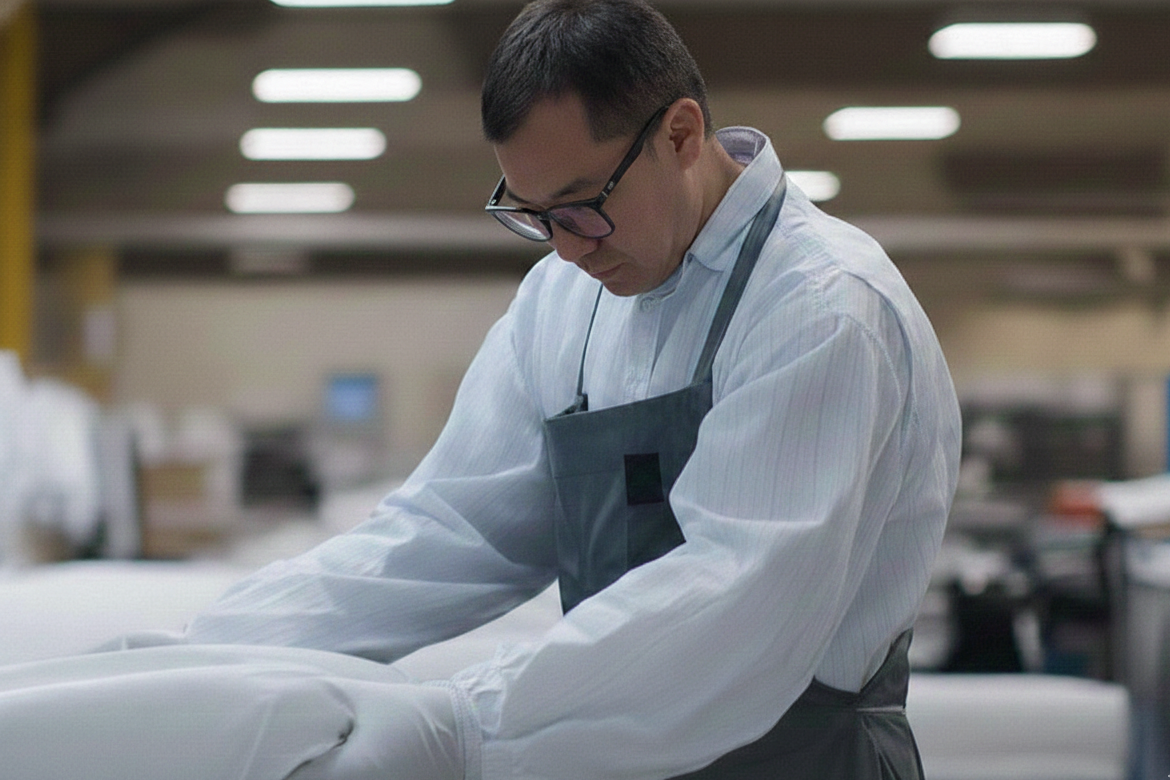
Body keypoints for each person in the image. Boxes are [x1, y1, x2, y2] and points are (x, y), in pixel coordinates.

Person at [141, 1, 963, 777]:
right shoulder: (563, 300)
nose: (567, 250)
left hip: (800, 761)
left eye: (581, 207)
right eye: (532, 214)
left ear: (680, 135)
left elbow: (736, 600)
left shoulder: (821, 307)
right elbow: (453, 529)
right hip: (615, 753)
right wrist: (205, 650)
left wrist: (464, 725)